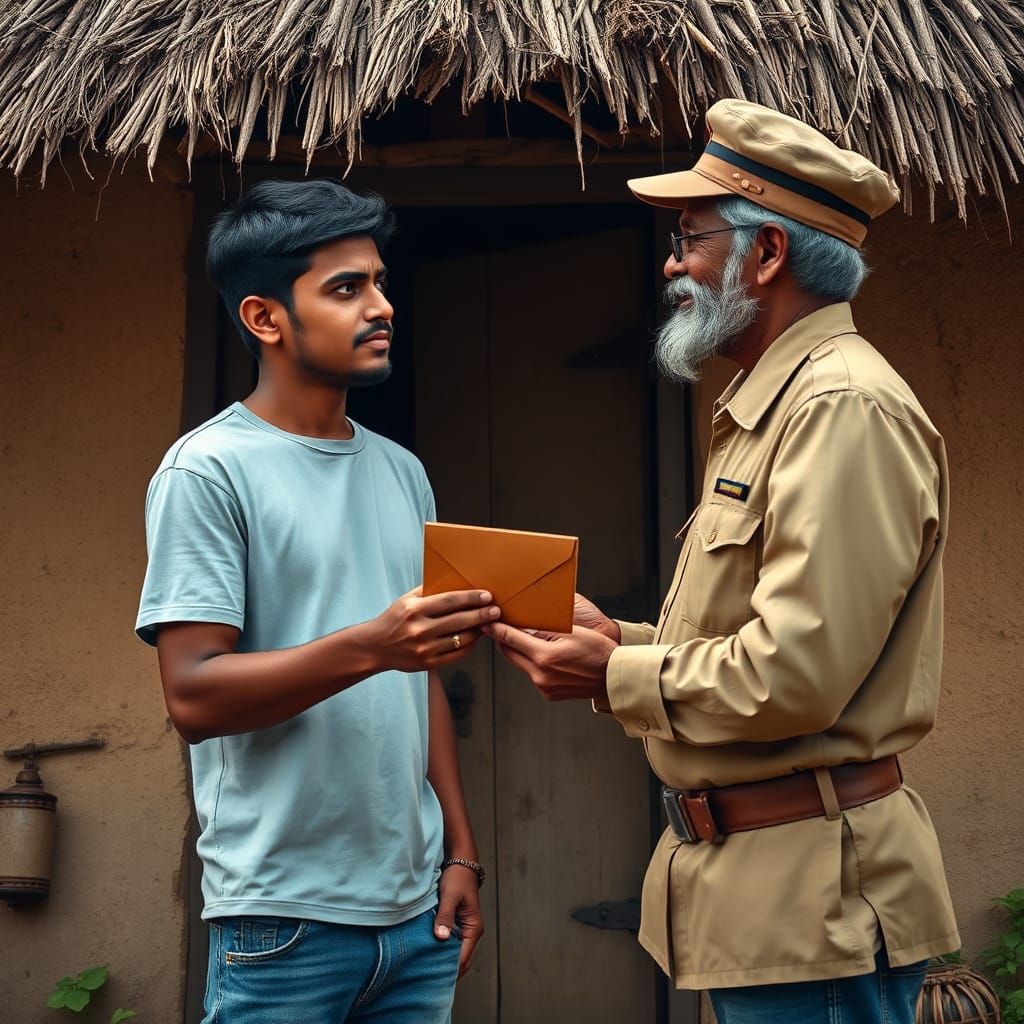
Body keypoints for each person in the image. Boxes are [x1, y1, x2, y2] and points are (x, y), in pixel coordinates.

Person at [486, 99, 960, 1024]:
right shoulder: (773, 405)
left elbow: (799, 674)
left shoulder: (841, 409)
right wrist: (613, 639)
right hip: (769, 903)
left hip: (814, 904)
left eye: (689, 237)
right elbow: (756, 638)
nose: (670, 263)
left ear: (768, 253)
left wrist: (615, 672)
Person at [136, 179, 496, 1024]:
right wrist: (376, 642)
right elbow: (192, 696)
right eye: (346, 289)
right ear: (264, 318)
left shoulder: (403, 471)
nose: (382, 307)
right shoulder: (207, 471)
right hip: (282, 919)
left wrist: (462, 853)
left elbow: (420, 678)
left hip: (417, 921)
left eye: (378, 281)